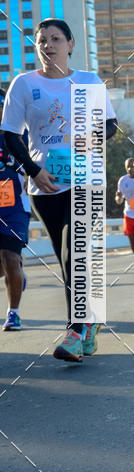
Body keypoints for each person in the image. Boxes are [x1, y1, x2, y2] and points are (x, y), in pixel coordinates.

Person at [0, 18, 117, 360]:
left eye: (55, 39)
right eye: (42, 40)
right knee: (70, 259)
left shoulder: (88, 81)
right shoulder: (23, 84)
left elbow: (110, 125)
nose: (48, 45)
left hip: (85, 181)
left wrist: (87, 140)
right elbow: (10, 134)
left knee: (74, 252)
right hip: (46, 186)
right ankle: (87, 327)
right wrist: (34, 171)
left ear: (70, 44)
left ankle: (76, 330)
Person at [0, 89, 30, 330]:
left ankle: (13, 313)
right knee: (6, 265)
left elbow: (36, 161)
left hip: (15, 208)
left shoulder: (20, 134)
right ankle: (16, 273)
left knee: (10, 256)